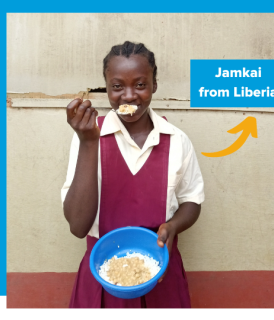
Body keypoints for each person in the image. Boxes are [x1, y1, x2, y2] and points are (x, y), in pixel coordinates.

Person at [61, 41, 205, 308]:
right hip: (103, 275)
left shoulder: (177, 140)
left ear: (154, 85)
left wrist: (173, 227)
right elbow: (78, 226)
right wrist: (89, 142)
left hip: (160, 271)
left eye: (140, 85)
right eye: (117, 87)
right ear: (107, 88)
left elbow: (192, 200)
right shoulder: (89, 136)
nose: (128, 96)